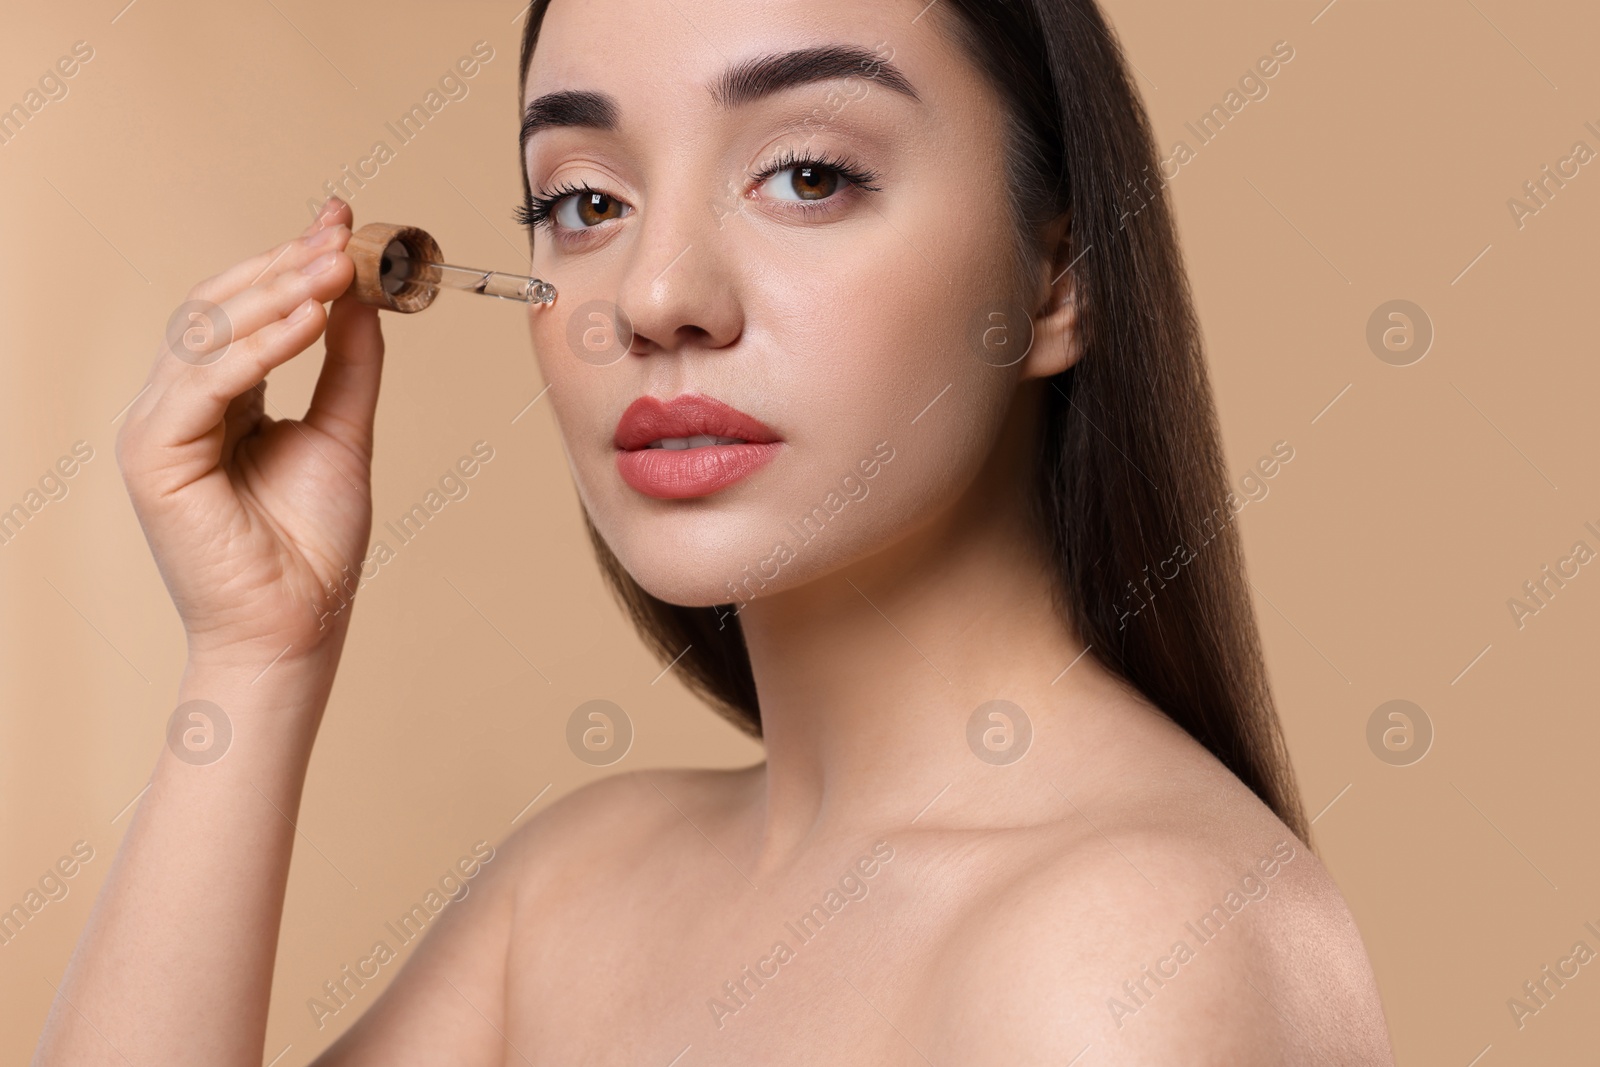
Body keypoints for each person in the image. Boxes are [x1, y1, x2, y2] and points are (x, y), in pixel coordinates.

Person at [35, 0, 1394, 1062]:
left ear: (1055, 277)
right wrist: (253, 659)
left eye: (807, 175)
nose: (658, 293)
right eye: (586, 202)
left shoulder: (1137, 955)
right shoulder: (570, 898)